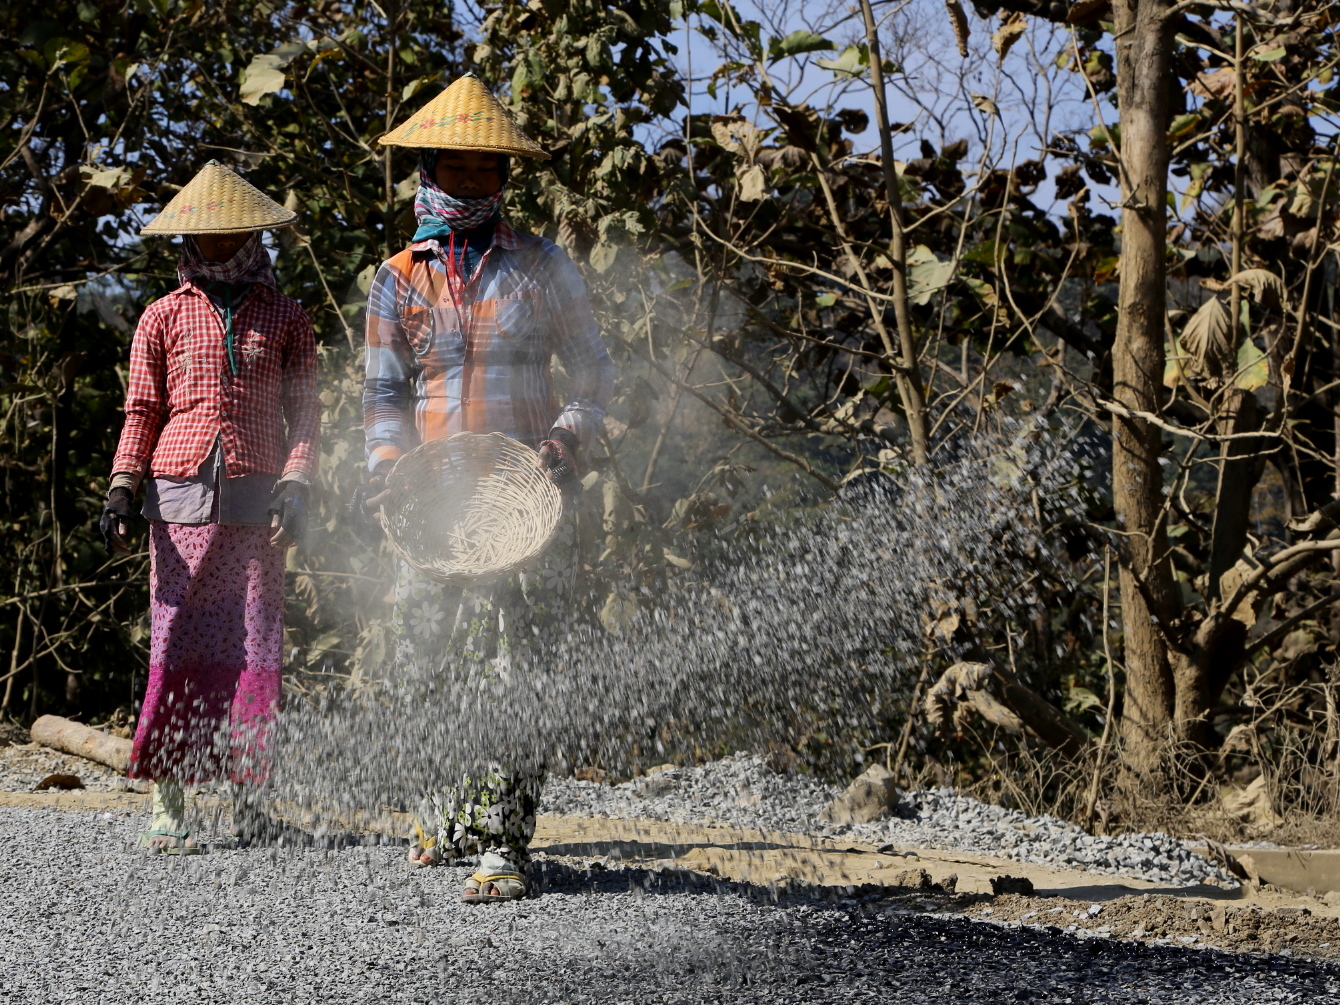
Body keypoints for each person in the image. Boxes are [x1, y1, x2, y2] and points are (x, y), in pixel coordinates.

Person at [360, 74, 614, 901]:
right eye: (458, 168)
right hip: (427, 502)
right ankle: (443, 815)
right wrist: (387, 465)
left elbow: (595, 373)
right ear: (429, 167)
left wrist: (566, 438)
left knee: (512, 667)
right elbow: (384, 395)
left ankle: (502, 843)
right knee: (421, 660)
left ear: (505, 178)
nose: (473, 182)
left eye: (487, 170)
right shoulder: (396, 278)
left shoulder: (540, 265)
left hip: (521, 499)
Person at [101, 161, 320, 853]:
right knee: (176, 646)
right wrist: (122, 487)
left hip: (259, 506)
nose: (220, 244)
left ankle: (251, 804)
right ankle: (169, 806)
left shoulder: (287, 315)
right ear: (188, 236)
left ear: (253, 232)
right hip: (176, 503)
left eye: (233, 232)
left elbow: (307, 411)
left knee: (254, 653)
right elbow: (142, 409)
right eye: (207, 233)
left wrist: (300, 480)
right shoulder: (161, 315)